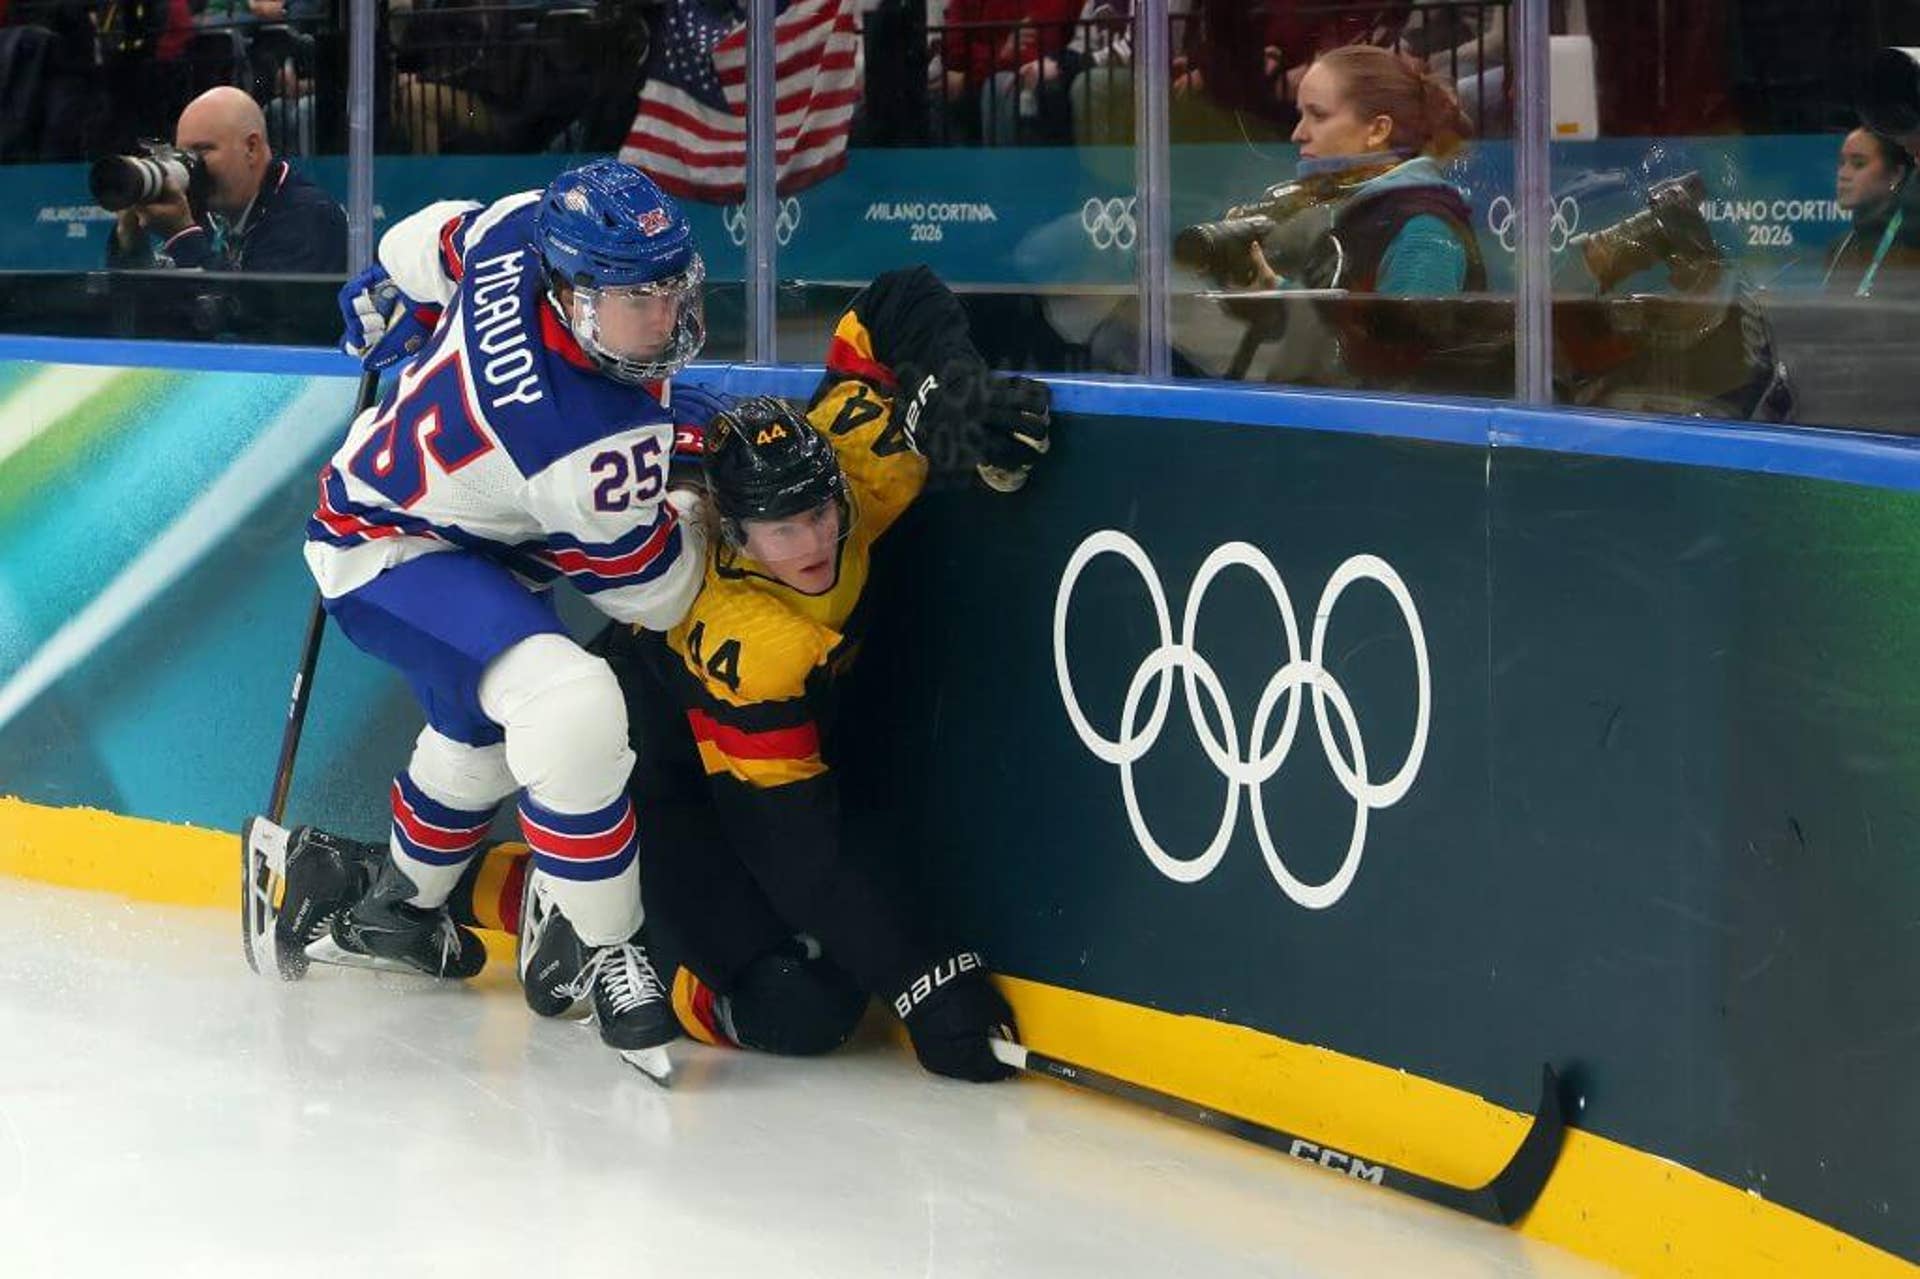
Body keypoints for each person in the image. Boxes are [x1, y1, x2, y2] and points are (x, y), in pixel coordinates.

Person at [267, 266, 1052, 1084]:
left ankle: (516, 891)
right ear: (730, 533)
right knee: (803, 1008)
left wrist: (945, 382)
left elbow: (895, 298)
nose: (815, 543)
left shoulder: (860, 464)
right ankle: (539, 906)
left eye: (820, 512)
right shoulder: (746, 641)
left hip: (733, 771)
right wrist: (920, 978)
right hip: (659, 780)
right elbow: (796, 848)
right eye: (781, 530)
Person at [282, 159, 712, 1075]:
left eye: (670, 291)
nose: (661, 321)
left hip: (419, 517)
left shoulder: (519, 227)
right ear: (570, 291)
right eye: (634, 300)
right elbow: (651, 593)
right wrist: (704, 512)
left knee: (478, 736)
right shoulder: (586, 441)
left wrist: (385, 295)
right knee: (571, 700)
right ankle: (611, 948)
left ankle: (390, 909)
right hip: (393, 547)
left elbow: (416, 245)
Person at [1250, 43, 1482, 295]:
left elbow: (1406, 334)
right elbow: (1341, 322)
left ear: (1378, 130)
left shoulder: (1422, 230)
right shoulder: (1359, 211)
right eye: (1301, 115)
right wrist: (1275, 295)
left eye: (1318, 115)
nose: (1298, 134)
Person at [105, 85, 346, 273]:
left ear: (251, 148)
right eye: (180, 154)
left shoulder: (308, 214)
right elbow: (154, 314)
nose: (190, 166)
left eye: (202, 151)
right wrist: (131, 240)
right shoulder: (209, 216)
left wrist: (181, 236)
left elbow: (258, 319)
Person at [1824, 125, 1920, 298]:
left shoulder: (1911, 243)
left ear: (1896, 175)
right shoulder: (1838, 249)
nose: (1843, 175)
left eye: (1858, 164)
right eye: (1841, 163)